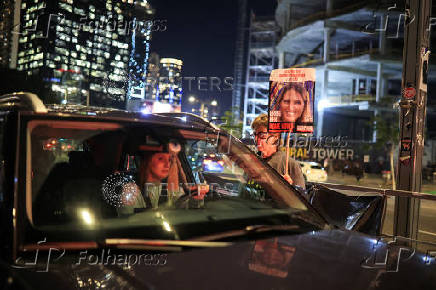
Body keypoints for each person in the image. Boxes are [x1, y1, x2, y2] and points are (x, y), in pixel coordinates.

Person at [251, 114, 305, 189]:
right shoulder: (252, 161)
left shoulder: (291, 165)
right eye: (254, 135)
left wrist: (291, 188)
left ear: (275, 137)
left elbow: (302, 197)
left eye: (262, 135)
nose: (256, 139)